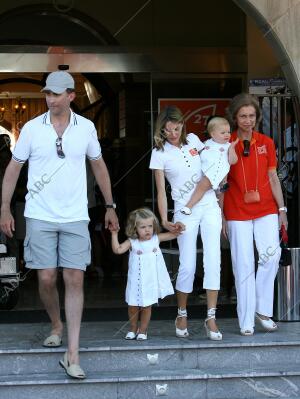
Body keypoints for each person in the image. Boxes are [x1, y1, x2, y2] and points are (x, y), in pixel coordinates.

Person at [0, 71, 118, 379]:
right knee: (47, 279)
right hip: (39, 215)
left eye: (56, 93)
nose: (50, 98)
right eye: (47, 94)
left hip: (76, 215)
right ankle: (56, 324)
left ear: (70, 96)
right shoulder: (31, 128)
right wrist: (4, 207)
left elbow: (99, 166)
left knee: (75, 279)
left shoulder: (87, 128)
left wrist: (110, 206)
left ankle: (73, 353)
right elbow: (13, 169)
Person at [150, 106, 223, 341]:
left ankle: (211, 316)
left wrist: (221, 195)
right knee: (188, 265)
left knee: (213, 260)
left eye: (177, 127)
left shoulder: (193, 140)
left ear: (183, 125)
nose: (173, 133)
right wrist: (164, 219)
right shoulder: (159, 152)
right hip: (184, 209)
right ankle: (181, 313)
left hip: (210, 204)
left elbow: (213, 163)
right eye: (168, 129)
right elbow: (161, 191)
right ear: (161, 129)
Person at [222, 93, 287, 336]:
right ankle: (246, 319)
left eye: (251, 116)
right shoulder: (227, 143)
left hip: (266, 208)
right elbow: (221, 184)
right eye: (243, 116)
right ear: (235, 118)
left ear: (257, 117)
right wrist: (222, 217)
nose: (248, 120)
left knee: (271, 255)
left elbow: (273, 177)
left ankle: (262, 310)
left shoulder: (267, 142)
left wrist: (282, 210)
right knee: (244, 263)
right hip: (236, 210)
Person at [110, 207, 176, 340]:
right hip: (135, 281)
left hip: (150, 281)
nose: (147, 230)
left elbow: (175, 234)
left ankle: (143, 330)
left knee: (147, 306)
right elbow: (117, 250)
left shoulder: (156, 239)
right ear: (135, 229)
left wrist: (174, 225)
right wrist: (114, 234)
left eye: (150, 226)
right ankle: (133, 328)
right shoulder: (132, 242)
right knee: (133, 306)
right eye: (143, 227)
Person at [180, 116, 238, 215]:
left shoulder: (228, 146)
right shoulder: (206, 144)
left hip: (220, 177)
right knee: (201, 189)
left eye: (228, 132)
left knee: (218, 195)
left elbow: (233, 161)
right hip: (207, 174)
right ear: (213, 134)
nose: (227, 135)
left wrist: (232, 148)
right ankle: (189, 206)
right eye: (223, 133)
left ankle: (218, 214)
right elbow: (196, 155)